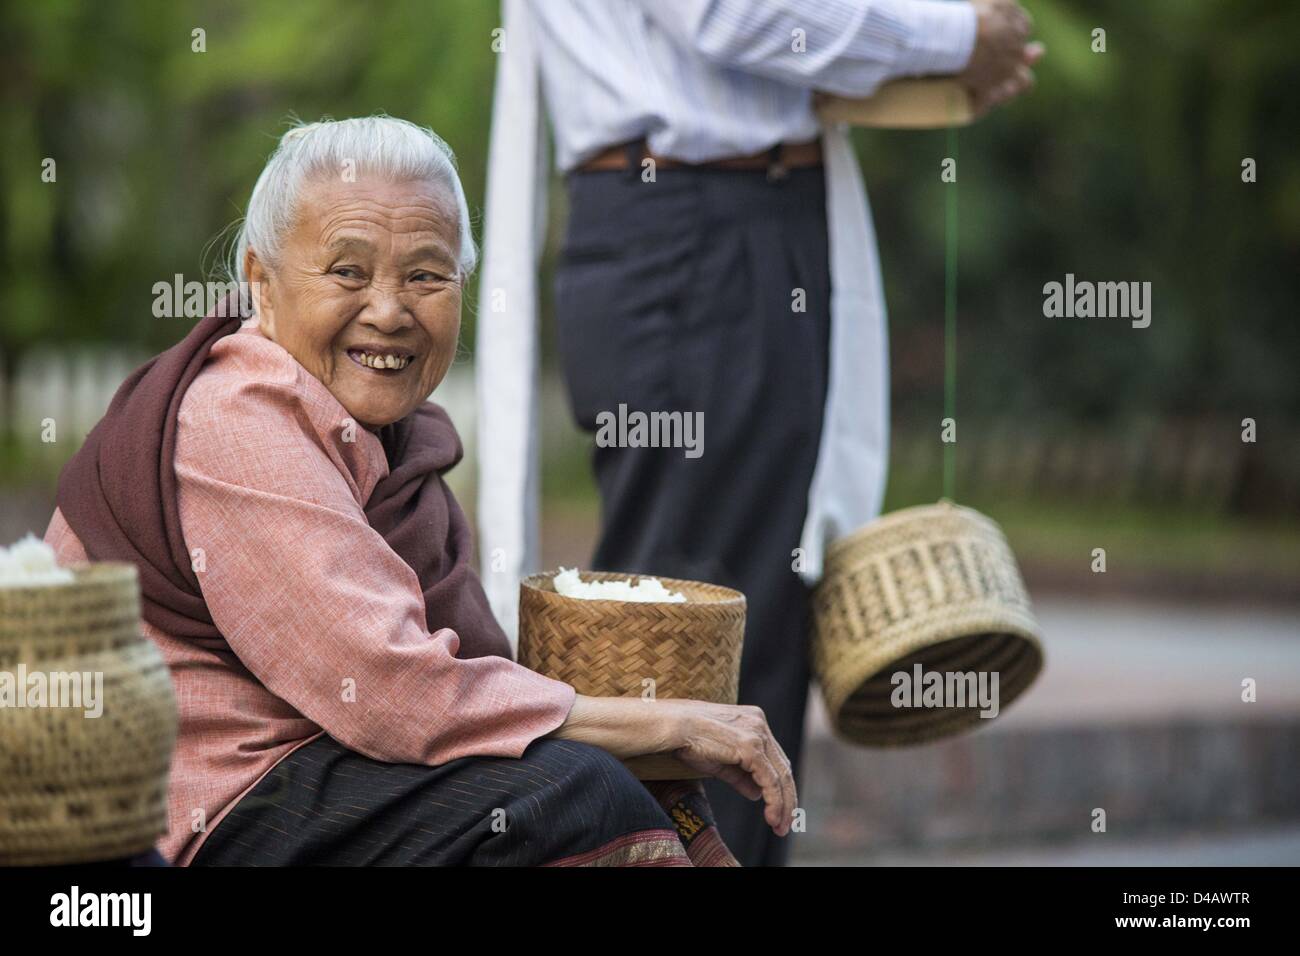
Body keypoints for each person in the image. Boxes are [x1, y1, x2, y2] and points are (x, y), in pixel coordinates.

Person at [46, 116, 795, 866]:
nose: (389, 310)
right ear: (260, 284)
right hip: (201, 808)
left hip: (326, 771)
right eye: (347, 271)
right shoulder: (234, 417)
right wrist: (668, 724)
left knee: (582, 778)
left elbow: (451, 685)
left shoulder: (402, 439)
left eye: (426, 275)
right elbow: (388, 690)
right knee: (568, 799)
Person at [476, 0, 1042, 865]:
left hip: (723, 226)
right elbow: (733, 14)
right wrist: (955, 36)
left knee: (752, 622)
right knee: (692, 640)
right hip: (699, 230)